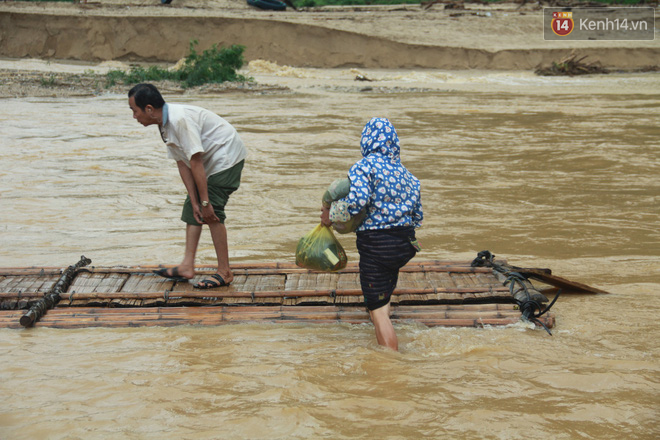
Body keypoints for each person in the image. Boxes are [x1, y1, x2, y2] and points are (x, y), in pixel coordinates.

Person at [128, 83, 247, 289]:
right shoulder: (164, 125)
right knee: (193, 209)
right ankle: (186, 266)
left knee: (212, 211)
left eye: (135, 111)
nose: (134, 117)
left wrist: (205, 201)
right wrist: (194, 200)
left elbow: (196, 161)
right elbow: (182, 164)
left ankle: (225, 272)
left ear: (148, 109)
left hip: (226, 157)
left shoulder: (179, 120)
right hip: (209, 160)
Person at [321, 117, 423, 351]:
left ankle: (389, 366)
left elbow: (357, 202)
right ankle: (382, 315)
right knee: (384, 292)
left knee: (377, 310)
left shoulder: (364, 166)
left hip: (377, 244)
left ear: (366, 141)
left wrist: (333, 213)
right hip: (405, 244)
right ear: (394, 143)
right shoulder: (407, 174)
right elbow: (418, 216)